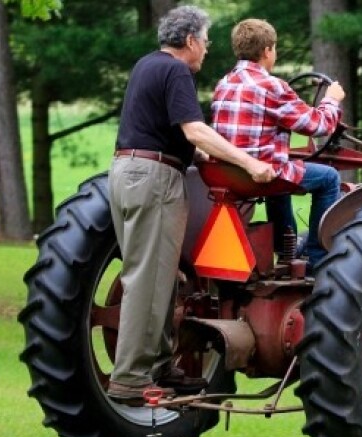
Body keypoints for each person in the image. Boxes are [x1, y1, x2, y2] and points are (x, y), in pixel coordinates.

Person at [107, 6, 276, 404]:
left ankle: (162, 366)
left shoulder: (146, 65)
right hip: (155, 179)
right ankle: (130, 379)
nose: (207, 48)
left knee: (161, 276)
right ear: (189, 41)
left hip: (125, 172)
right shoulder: (176, 70)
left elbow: (162, 130)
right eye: (205, 41)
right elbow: (195, 130)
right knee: (148, 280)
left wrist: (199, 156)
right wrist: (249, 162)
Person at [211, 18, 344, 270]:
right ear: (267, 51)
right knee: (329, 178)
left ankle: (285, 250)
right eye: (275, 48)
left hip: (228, 172)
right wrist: (331, 100)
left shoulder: (224, 83)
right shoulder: (272, 86)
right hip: (260, 173)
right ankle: (317, 258)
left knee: (282, 178)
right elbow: (319, 125)